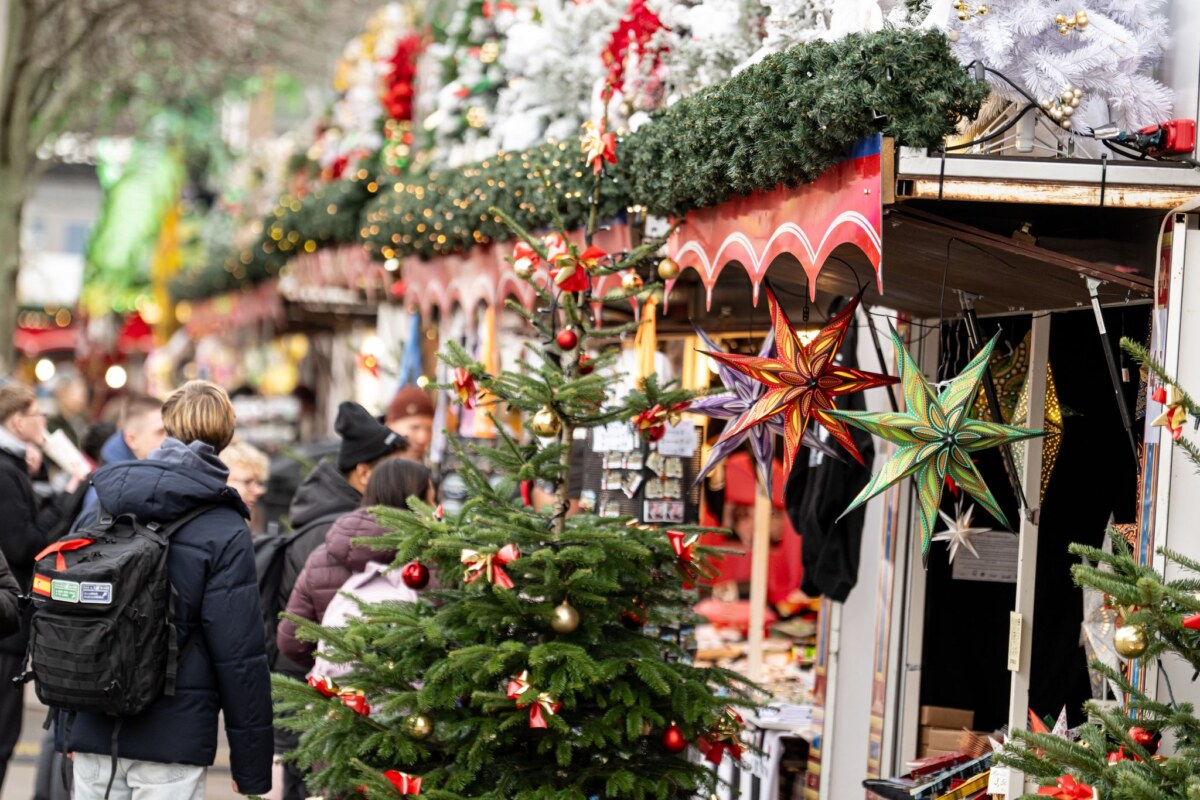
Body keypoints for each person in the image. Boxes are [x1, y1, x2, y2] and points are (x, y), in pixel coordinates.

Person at [66, 380, 272, 799]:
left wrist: (69, 723)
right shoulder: (225, 526)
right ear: (227, 435)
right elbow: (239, 654)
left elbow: (74, 611)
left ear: (168, 426)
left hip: (96, 725)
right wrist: (251, 767)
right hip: (173, 735)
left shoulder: (111, 499)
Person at [270, 401, 406, 800]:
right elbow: (295, 640)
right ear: (364, 474)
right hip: (325, 715)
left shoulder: (339, 528)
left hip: (327, 712)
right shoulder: (346, 540)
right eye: (393, 470)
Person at [278, 458, 433, 670]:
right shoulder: (434, 561)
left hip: (346, 700)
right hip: (420, 697)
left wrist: (338, 668)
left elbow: (292, 641)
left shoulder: (322, 558)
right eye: (431, 501)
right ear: (416, 504)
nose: (435, 509)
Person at [0, 381, 63, 791]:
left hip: (9, 627)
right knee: (2, 737)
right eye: (38, 415)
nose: (45, 422)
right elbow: (22, 544)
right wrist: (64, 499)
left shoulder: (15, 465)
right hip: (5, 633)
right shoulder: (6, 471)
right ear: (18, 421)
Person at [72, 395, 167, 532]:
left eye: (171, 431)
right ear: (132, 439)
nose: (169, 439)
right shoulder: (105, 496)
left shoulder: (129, 482)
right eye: (160, 432)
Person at [222, 440, 270, 534]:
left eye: (259, 483)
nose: (259, 491)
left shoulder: (256, 515)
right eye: (247, 482)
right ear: (222, 480)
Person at [385, 385, 435, 461]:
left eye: (429, 429)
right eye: (414, 428)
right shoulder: (368, 469)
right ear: (391, 426)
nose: (423, 439)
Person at [47, 373, 89, 448]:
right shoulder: (50, 423)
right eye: (80, 394)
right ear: (63, 393)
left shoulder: (79, 422)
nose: (83, 399)